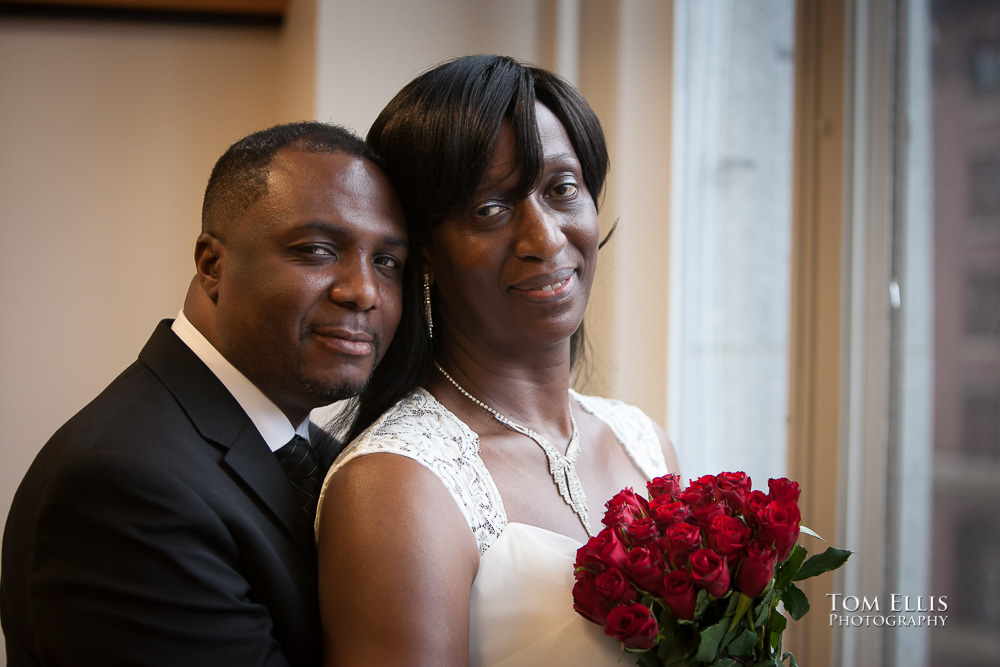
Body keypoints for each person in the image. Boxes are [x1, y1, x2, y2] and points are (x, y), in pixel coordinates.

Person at [0, 121, 411, 666]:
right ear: (211, 264)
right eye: (316, 250)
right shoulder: (122, 486)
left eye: (387, 262)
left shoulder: (325, 456)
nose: (363, 291)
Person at [315, 55, 681, 666]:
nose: (545, 239)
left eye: (562, 189)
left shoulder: (645, 443)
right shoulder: (398, 485)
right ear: (424, 251)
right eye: (491, 208)